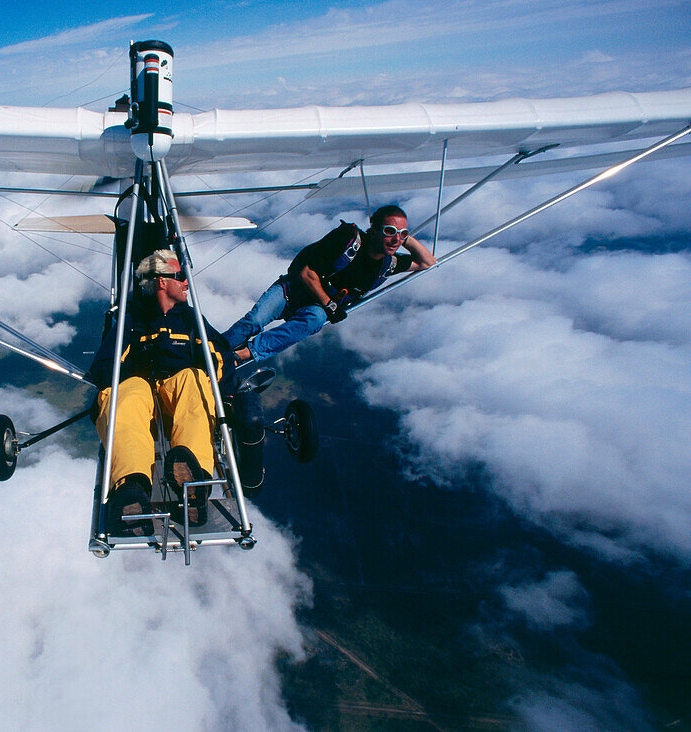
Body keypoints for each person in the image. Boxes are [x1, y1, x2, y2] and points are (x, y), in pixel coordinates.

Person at [88, 249, 232, 536]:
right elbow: (104, 368)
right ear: (162, 282)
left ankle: (194, 485)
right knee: (124, 394)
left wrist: (219, 383)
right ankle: (132, 490)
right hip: (142, 391)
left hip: (177, 391)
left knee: (193, 379)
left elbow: (220, 356)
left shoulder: (190, 318)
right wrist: (122, 369)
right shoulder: (133, 319)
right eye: (180, 277)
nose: (187, 283)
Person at [224, 205, 435, 363]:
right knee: (255, 320)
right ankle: (214, 348)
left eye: (402, 234)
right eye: (389, 231)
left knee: (315, 319)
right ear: (373, 230)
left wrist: (401, 236)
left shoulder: (388, 264)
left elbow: (427, 262)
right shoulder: (346, 240)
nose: (396, 239)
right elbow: (306, 272)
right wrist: (330, 304)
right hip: (293, 291)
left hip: (314, 308)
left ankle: (243, 354)